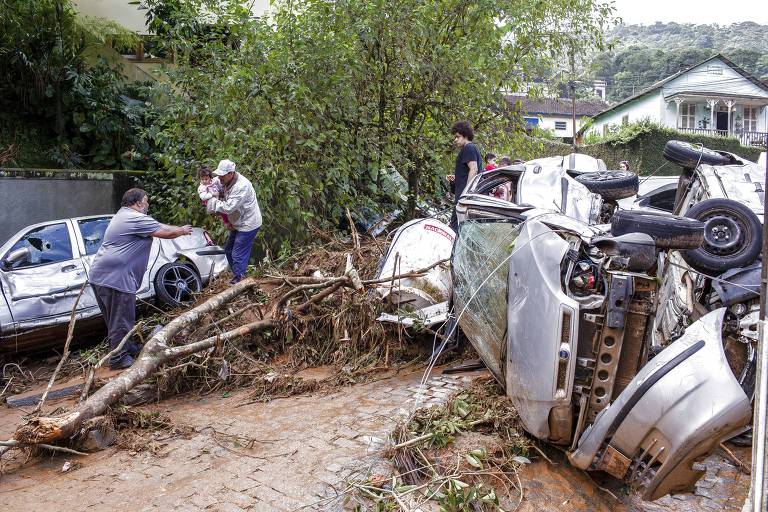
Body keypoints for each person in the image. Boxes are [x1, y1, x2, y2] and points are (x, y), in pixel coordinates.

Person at [89, 188, 193, 369]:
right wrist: (182, 230)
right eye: (146, 201)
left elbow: (159, 225)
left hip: (103, 276)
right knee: (121, 320)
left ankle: (127, 348)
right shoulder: (133, 217)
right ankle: (119, 358)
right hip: (116, 278)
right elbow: (165, 232)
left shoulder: (124, 216)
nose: (148, 204)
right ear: (137, 203)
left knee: (117, 320)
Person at [206, 159, 262, 284]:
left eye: (222, 175)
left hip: (248, 223)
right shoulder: (225, 179)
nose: (219, 177)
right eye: (219, 175)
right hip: (238, 221)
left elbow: (229, 207)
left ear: (231, 173)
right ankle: (239, 274)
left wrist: (212, 202)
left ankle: (239, 280)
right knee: (228, 249)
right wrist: (206, 187)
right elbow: (213, 183)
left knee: (237, 253)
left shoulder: (241, 186)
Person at [447, 121, 483, 231]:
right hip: (463, 195)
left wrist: (467, 192)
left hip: (465, 196)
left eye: (457, 137)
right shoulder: (468, 149)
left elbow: (474, 168)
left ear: (465, 135)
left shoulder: (469, 148)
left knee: (455, 227)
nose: (455, 140)